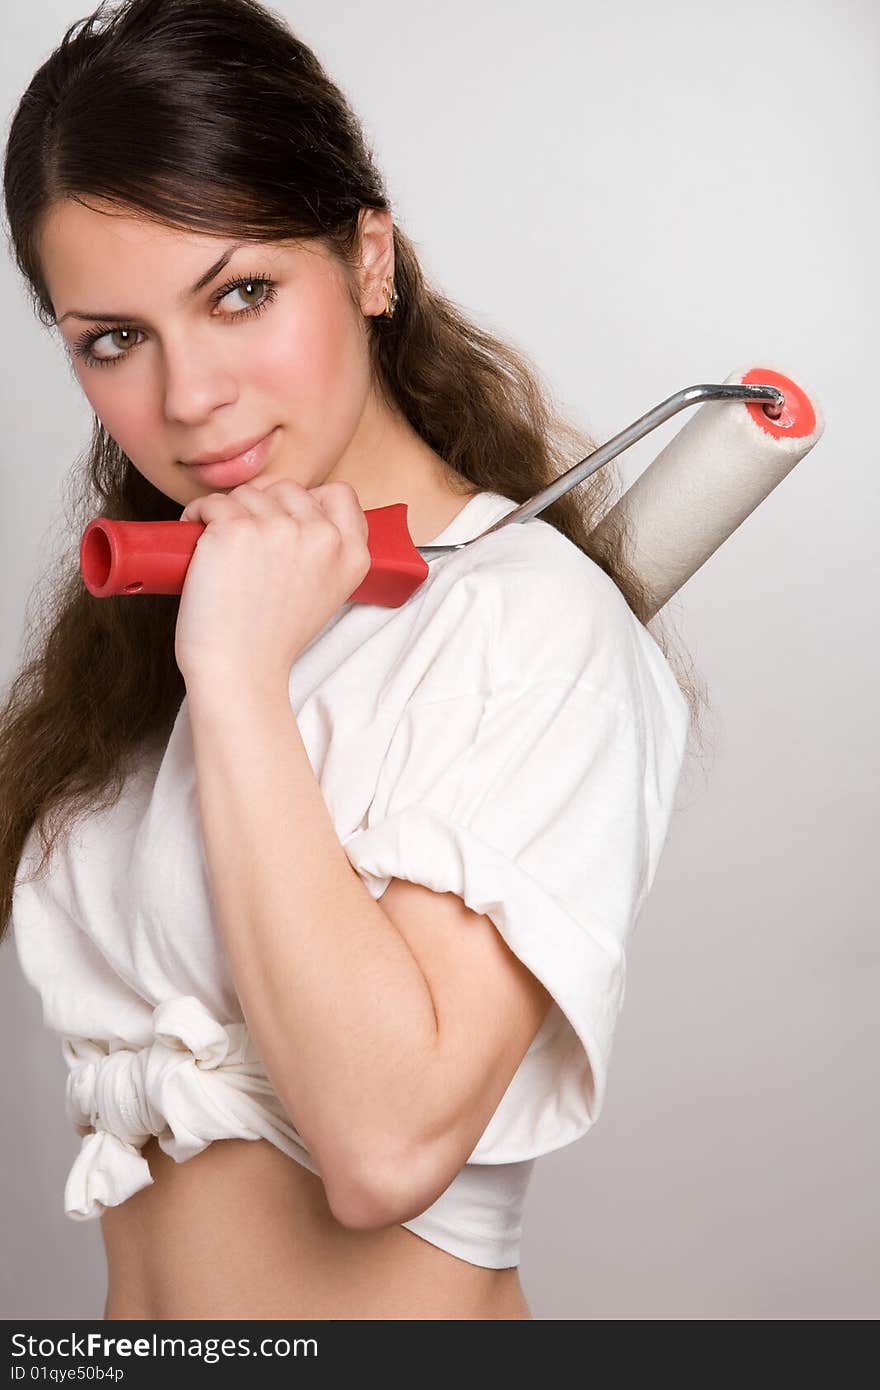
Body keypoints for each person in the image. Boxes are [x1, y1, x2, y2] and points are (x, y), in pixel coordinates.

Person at [1, 0, 701, 1321]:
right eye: (114, 339)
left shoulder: (527, 624)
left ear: (369, 257)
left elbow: (384, 1146)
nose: (190, 396)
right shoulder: (151, 634)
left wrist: (241, 676)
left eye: (242, 294)